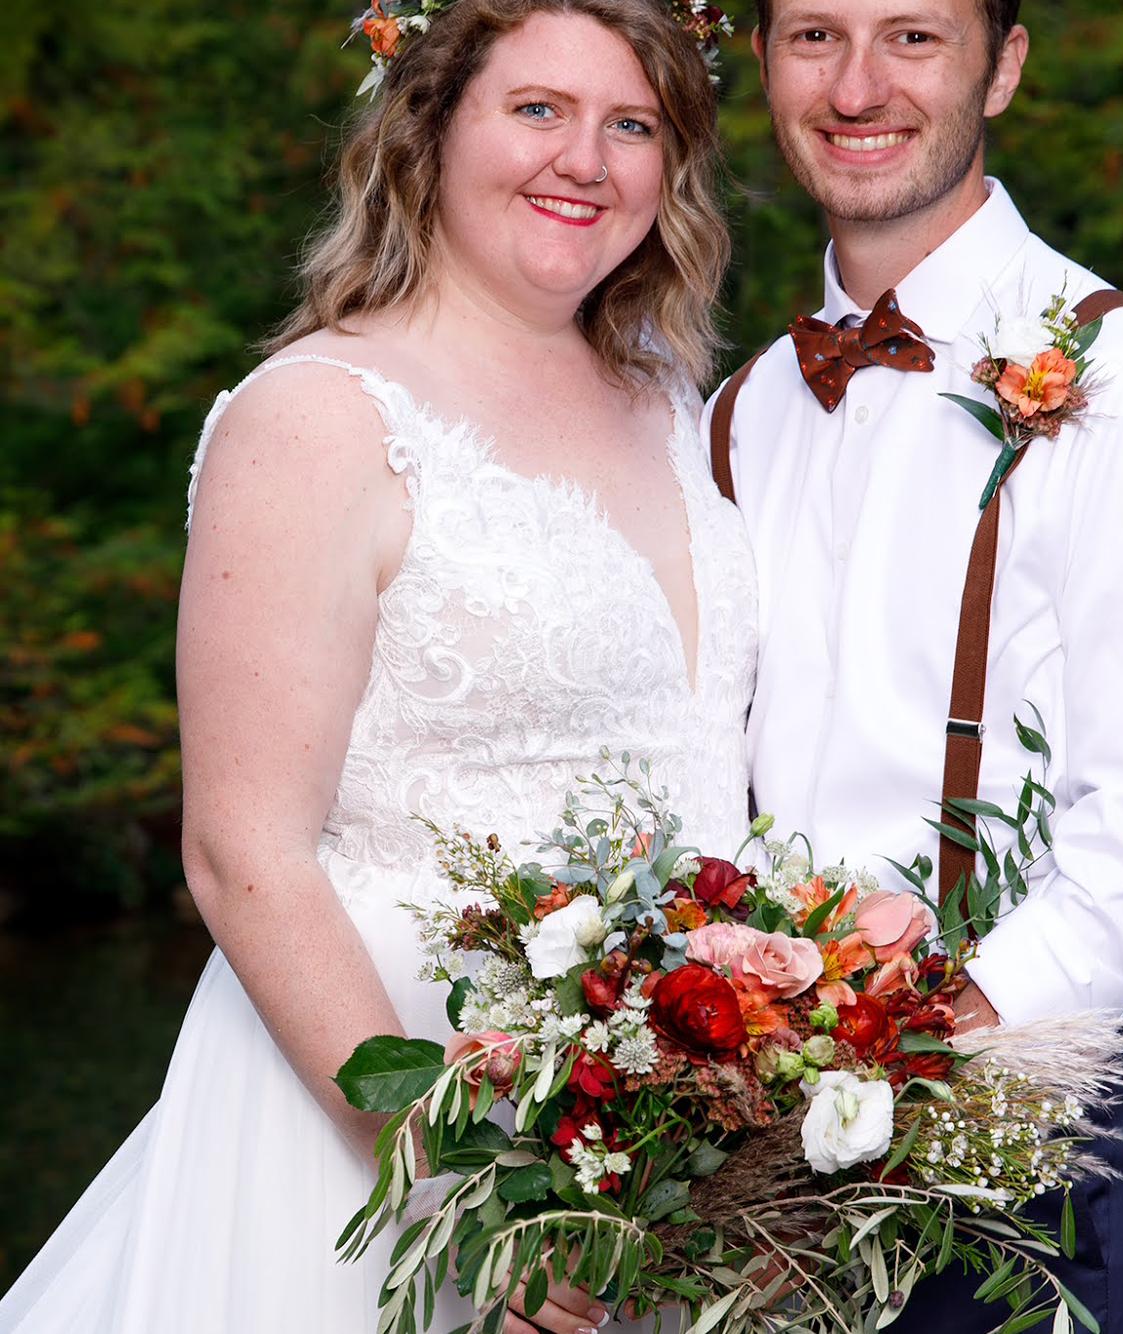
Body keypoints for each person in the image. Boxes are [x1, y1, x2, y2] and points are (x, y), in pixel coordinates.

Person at [0, 2, 754, 1331]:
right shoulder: (315, 419)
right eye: (536, 110)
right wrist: (456, 1192)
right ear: (430, 129)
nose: (586, 158)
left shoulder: (673, 404)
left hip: (649, 1134)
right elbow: (245, 856)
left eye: (630, 124)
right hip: (389, 1113)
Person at [706, 1, 1123, 1330]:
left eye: (910, 36)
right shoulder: (739, 413)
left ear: (1001, 66)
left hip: (1040, 1145)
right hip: (746, 1155)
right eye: (812, 37)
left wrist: (913, 1050)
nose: (855, 88)